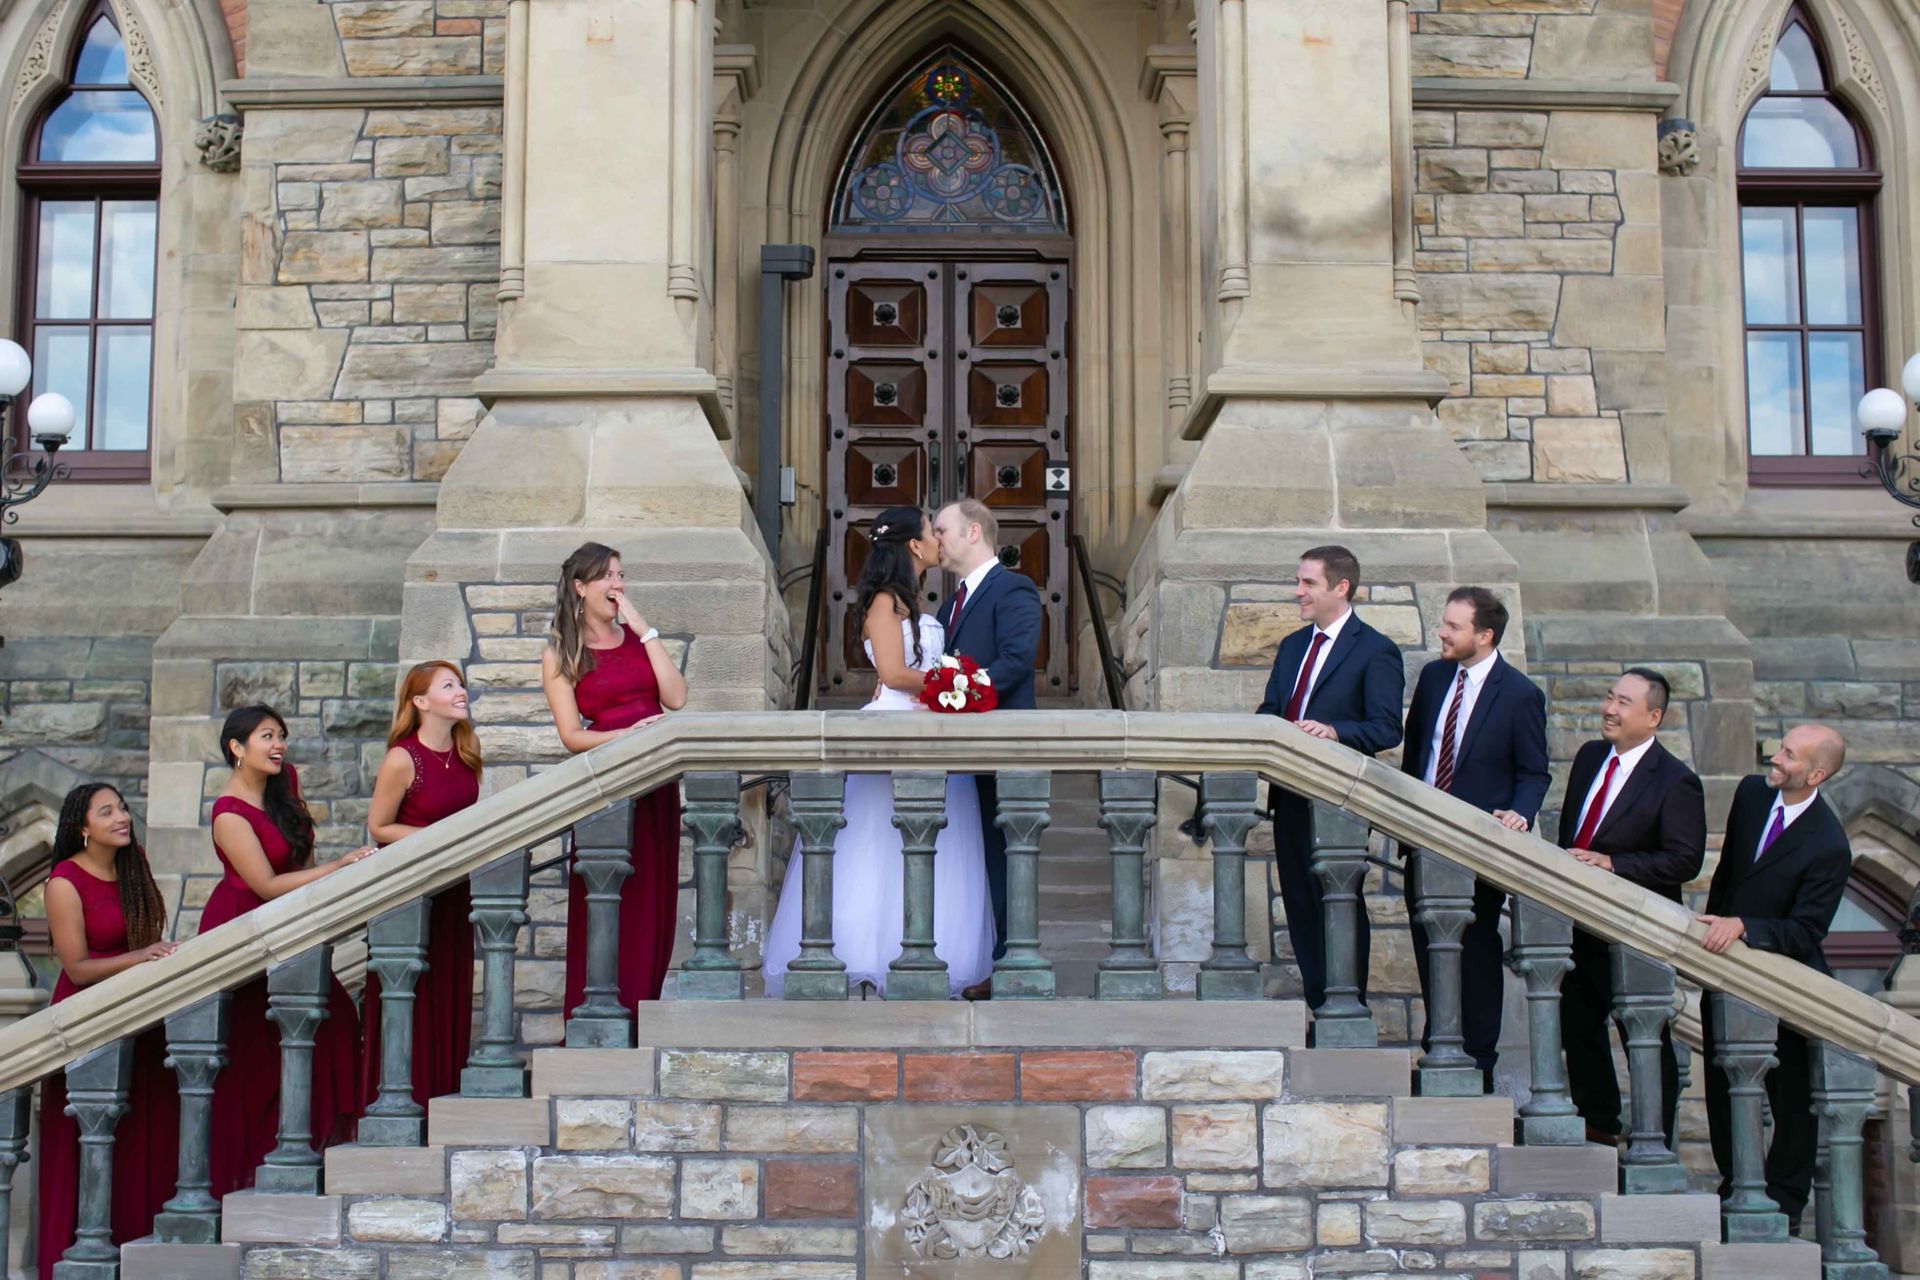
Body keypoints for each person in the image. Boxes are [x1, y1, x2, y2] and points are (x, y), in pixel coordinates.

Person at [762, 506, 995, 997]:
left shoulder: (916, 606)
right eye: (931, 532)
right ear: (913, 545)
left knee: (930, 844)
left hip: (930, 729)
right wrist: (953, 684)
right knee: (873, 848)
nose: (937, 539)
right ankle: (866, 955)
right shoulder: (885, 603)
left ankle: (924, 950)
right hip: (894, 727)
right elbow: (891, 674)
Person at [205, 705, 371, 1196]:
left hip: (291, 926)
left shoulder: (286, 786)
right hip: (244, 934)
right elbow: (265, 883)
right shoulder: (227, 812)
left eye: (280, 735)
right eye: (265, 736)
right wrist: (342, 865)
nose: (278, 745)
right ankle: (248, 1173)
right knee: (256, 1060)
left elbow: (302, 859)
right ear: (237, 748)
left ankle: (315, 1149)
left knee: (336, 1023)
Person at [1699, 723, 1852, 1234]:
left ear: (1817, 773)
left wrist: (1747, 927)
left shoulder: (1830, 844)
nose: (1775, 757)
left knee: (1790, 1100)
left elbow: (1807, 930)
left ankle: (1785, 1202)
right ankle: (1733, 1185)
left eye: (1788, 754)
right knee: (1723, 1085)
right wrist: (1716, 929)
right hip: (1724, 971)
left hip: (1789, 987)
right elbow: (1727, 877)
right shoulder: (1749, 794)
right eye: (1780, 747)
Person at [1402, 586, 1549, 1087]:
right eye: (1444, 623)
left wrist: (1520, 815)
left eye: (1454, 626)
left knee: (1477, 953)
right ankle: (1439, 1046)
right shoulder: (1434, 677)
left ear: (1484, 636)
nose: (1442, 632)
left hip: (1477, 849)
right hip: (1422, 839)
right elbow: (1417, 756)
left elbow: (1534, 772)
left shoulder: (1520, 694)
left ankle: (1479, 1062)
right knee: (1428, 945)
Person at [1555, 669, 1706, 1145]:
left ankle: (1653, 1136)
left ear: (1653, 716)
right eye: (1608, 697)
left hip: (1637, 932)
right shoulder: (1590, 757)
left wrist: (1614, 863)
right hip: (1580, 923)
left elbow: (1684, 859)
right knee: (1577, 1023)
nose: (1609, 709)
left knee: (1644, 1034)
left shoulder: (1676, 780)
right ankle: (1598, 1123)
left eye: (1623, 702)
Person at [36, 783, 180, 1279]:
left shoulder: (131, 865)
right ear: (82, 827)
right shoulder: (63, 881)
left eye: (121, 808)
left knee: (144, 1141)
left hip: (138, 1019)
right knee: (88, 1149)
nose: (122, 817)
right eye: (107, 812)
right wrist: (141, 956)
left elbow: (145, 936)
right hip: (87, 1023)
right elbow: (76, 968)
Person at [1255, 545, 1404, 1013]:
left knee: (1338, 904)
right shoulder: (1294, 646)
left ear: (1341, 588)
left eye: (1308, 583)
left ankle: (1347, 1006)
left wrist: (1335, 731)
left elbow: (1386, 727)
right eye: (1298, 581)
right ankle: (1320, 1007)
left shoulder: (1376, 650)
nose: (1298, 592)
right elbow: (1271, 709)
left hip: (1338, 804)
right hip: (1290, 797)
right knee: (1299, 906)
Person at [541, 541, 688, 1010]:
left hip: (656, 785)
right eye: (607, 576)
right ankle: (599, 1014)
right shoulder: (561, 653)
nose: (618, 584)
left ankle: (642, 1009)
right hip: (608, 786)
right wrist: (627, 736)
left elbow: (677, 698)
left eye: (621, 575)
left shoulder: (638, 640)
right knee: (611, 902)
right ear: (580, 587)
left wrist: (645, 630)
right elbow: (572, 736)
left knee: (653, 906)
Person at [930, 498, 1043, 1002]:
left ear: (973, 532)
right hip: (961, 754)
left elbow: (1017, 660)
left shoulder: (1013, 588)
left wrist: (961, 693)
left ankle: (1010, 965)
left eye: (941, 530)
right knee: (973, 857)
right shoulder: (946, 606)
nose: (935, 540)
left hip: (1003, 746)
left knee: (1003, 857)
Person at [362, 660, 483, 1110]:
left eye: (461, 684)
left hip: (455, 891)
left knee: (450, 994)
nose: (460, 691)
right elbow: (379, 826)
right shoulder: (402, 758)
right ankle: (402, 1098)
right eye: (448, 686)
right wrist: (437, 841)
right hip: (410, 895)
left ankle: (442, 1098)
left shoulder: (467, 752)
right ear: (420, 702)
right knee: (414, 995)